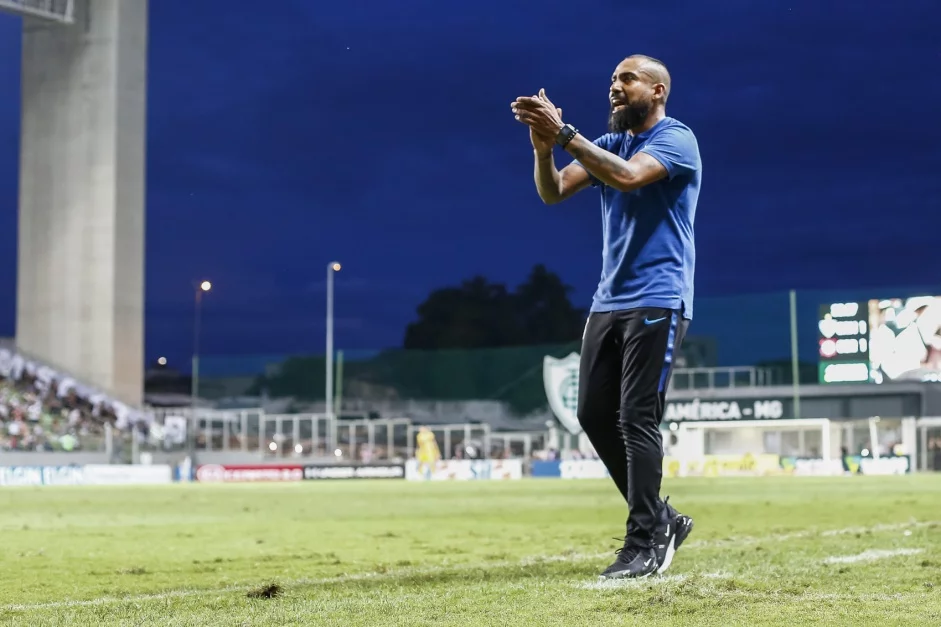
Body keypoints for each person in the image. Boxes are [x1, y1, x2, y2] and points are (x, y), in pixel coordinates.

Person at [510, 54, 701, 579]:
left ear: (657, 90)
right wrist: (543, 148)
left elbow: (627, 177)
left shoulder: (676, 140)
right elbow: (552, 192)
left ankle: (645, 540)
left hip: (658, 297)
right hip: (608, 300)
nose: (614, 87)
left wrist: (566, 132)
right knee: (594, 416)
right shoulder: (609, 143)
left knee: (636, 417)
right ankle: (662, 517)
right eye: (612, 80)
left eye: (627, 79)